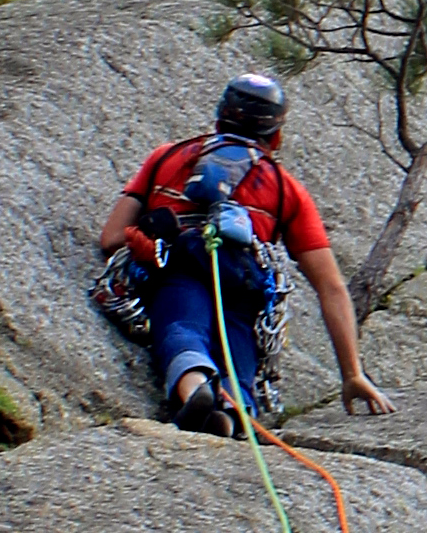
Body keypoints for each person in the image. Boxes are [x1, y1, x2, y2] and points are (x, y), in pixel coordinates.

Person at [98, 71, 383, 434]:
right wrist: (352, 373)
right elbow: (331, 286)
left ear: (219, 118)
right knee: (238, 358)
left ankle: (195, 391)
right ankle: (235, 412)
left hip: (177, 265)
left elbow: (111, 238)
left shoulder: (167, 157)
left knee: (182, 326)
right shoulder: (286, 189)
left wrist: (142, 243)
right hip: (244, 279)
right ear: (276, 136)